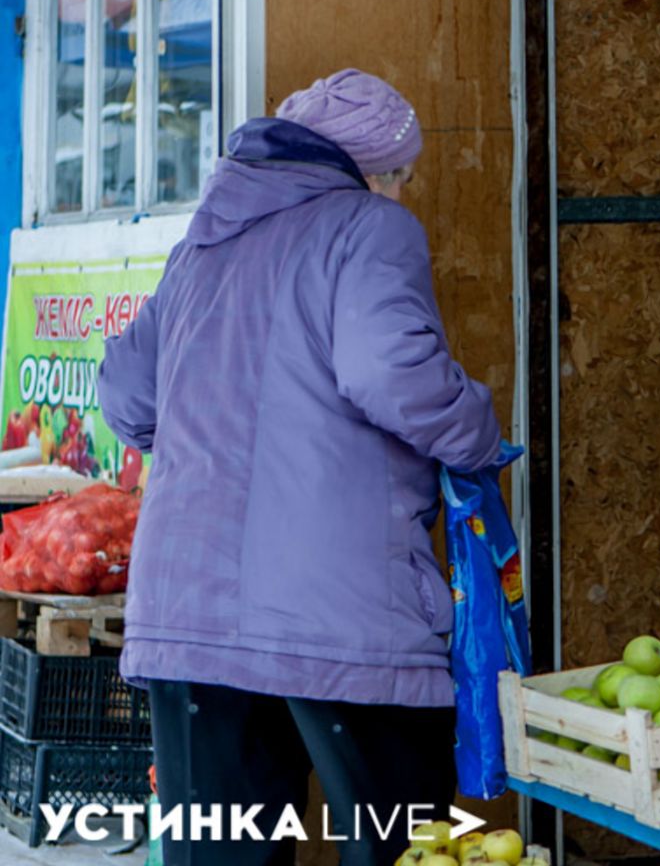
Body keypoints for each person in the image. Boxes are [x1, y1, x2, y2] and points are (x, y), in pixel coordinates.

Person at [98, 68, 501, 866]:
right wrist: (478, 434)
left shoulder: (202, 245)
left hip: (188, 615)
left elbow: (125, 396)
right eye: (400, 175)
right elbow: (390, 373)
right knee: (398, 848)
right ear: (368, 171)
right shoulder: (369, 227)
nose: (402, 193)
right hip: (341, 618)